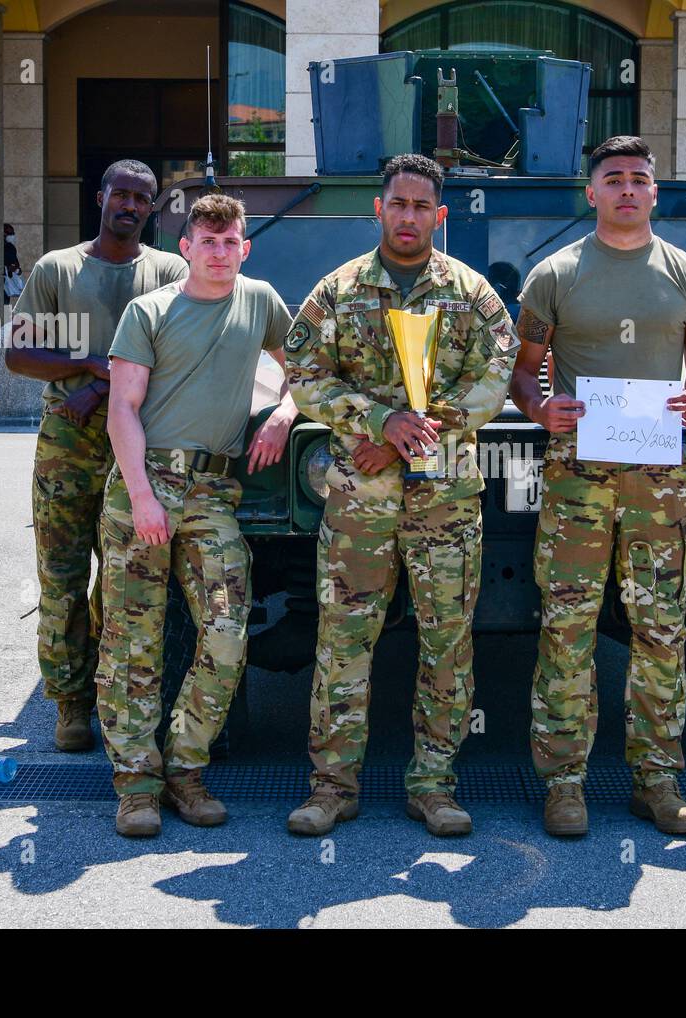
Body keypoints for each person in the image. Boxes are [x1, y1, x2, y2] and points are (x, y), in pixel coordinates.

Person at [284, 153, 517, 839]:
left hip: (444, 495)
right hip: (360, 499)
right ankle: (331, 788)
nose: (409, 215)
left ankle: (434, 787)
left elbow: (495, 380)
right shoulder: (339, 291)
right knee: (344, 639)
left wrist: (414, 430)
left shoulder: (473, 295)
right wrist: (376, 419)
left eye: (422, 206)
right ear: (378, 210)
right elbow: (304, 376)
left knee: (446, 641)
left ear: (439, 215)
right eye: (399, 204)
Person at [509, 135, 686, 838]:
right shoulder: (555, 276)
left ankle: (657, 781)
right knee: (567, 629)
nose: (627, 189)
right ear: (591, 192)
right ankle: (564, 784)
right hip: (578, 478)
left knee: (661, 629)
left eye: (638, 179)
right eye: (613, 179)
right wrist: (541, 408)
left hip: (659, 480)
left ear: (654, 192)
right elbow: (523, 368)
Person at [99, 193, 296, 837]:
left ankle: (185, 769)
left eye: (229, 240)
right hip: (144, 484)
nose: (218, 251)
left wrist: (284, 416)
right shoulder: (148, 310)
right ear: (186, 248)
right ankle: (135, 785)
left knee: (227, 634)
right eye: (205, 241)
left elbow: (305, 371)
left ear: (245, 246)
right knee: (134, 643)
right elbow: (122, 407)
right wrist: (144, 496)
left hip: (215, 490)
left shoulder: (261, 301)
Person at [8, 160, 189, 753]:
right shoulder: (57, 268)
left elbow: (181, 357)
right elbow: (17, 354)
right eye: (123, 194)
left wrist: (105, 385)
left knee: (122, 581)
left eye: (143, 198)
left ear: (152, 209)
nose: (131, 205)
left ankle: (117, 699)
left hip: (138, 444)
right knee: (60, 577)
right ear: (101, 197)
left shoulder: (170, 272)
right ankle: (69, 705)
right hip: (69, 439)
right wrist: (87, 367)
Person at [3, 223, 24, 304]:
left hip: (5, 282)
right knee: (4, 307)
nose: (12, 235)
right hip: (4, 282)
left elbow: (15, 265)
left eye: (13, 233)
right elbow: (15, 265)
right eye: (10, 233)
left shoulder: (9, 247)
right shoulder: (9, 247)